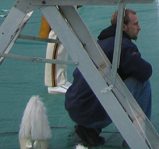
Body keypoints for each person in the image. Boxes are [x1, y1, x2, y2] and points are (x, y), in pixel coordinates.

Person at [65, 8, 153, 146]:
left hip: (76, 108)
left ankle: (88, 130)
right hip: (91, 112)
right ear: (123, 27)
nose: (139, 28)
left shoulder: (100, 43)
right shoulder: (122, 46)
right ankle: (138, 137)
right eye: (135, 24)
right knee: (142, 83)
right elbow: (145, 71)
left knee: (105, 85)